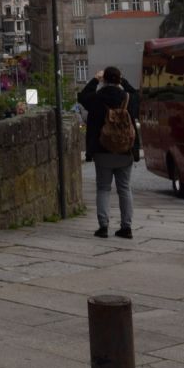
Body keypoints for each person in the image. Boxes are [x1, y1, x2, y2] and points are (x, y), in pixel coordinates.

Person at [78, 65, 140, 239]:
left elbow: (82, 97)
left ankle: (103, 226)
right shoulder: (128, 98)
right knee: (125, 189)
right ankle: (126, 228)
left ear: (104, 79)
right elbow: (137, 95)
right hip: (125, 151)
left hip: (103, 150)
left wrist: (95, 80)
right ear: (119, 80)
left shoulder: (97, 98)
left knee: (103, 188)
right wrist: (124, 81)